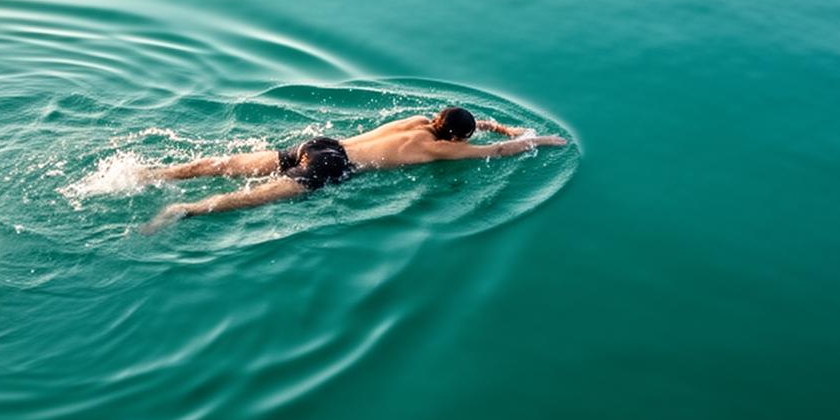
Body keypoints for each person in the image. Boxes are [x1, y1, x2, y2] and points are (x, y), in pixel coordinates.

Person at [138, 107, 568, 232]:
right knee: (251, 199)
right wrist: (542, 140)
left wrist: (489, 121)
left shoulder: (419, 122)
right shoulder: (442, 151)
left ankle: (151, 174)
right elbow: (499, 151)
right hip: (333, 166)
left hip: (321, 144)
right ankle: (186, 211)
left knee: (223, 164)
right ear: (456, 138)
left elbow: (476, 128)